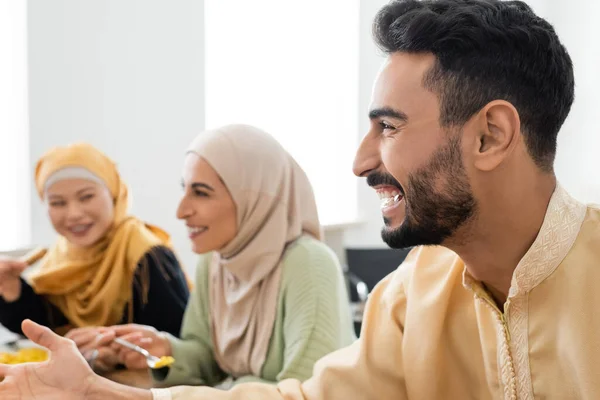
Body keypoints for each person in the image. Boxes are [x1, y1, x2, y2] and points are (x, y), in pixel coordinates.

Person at [1, 0, 597, 398]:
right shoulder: (413, 294)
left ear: (490, 135)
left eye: (388, 128)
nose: (361, 161)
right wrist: (95, 392)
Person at [103, 124, 354, 387]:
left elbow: (306, 391)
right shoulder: (215, 261)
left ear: (253, 197)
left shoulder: (309, 263)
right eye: (185, 189)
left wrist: (235, 386)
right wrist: (164, 349)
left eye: (201, 193)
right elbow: (207, 356)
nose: (181, 210)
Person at [0, 143, 190, 372]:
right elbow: (47, 326)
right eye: (57, 203)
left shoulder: (148, 257)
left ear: (113, 193)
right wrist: (13, 291)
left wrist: (116, 354)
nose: (74, 214)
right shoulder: (60, 255)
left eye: (86, 197)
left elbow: (180, 348)